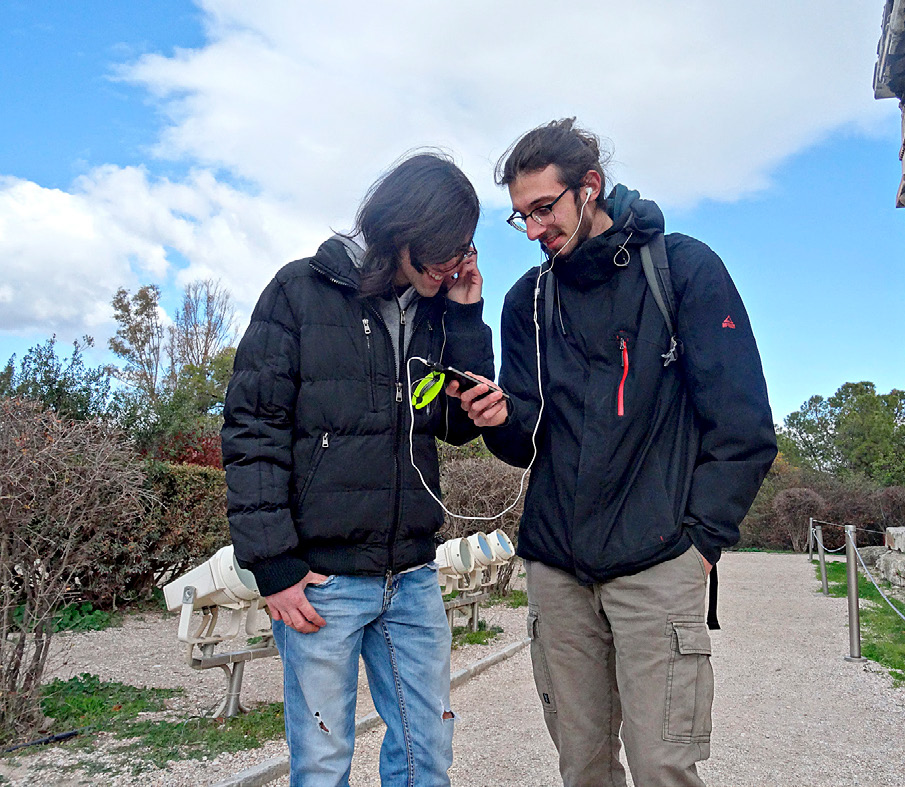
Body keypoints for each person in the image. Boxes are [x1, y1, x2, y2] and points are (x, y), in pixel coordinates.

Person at [452, 119, 778, 787]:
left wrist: (701, 544)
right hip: (556, 567)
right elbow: (527, 442)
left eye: (544, 208)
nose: (534, 228)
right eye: (521, 217)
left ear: (589, 187)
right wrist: (500, 416)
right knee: (584, 768)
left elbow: (742, 428)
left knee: (663, 767)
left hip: (659, 562)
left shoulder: (683, 269)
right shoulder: (527, 302)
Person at [222, 152, 494, 787]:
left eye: (463, 251)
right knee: (321, 761)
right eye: (444, 253)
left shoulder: (435, 308)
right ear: (402, 231)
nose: (454, 265)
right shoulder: (296, 292)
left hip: (414, 576)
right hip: (321, 582)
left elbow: (455, 424)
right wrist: (274, 565)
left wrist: (465, 316)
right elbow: (252, 429)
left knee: (429, 752)